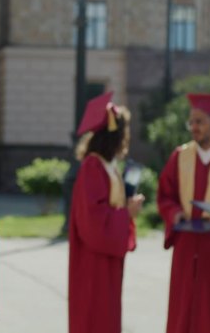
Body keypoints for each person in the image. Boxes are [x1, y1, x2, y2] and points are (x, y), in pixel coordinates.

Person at [156, 93, 210, 333]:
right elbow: (165, 195)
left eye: (200, 121)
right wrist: (175, 213)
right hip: (187, 244)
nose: (194, 127)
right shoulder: (180, 156)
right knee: (183, 309)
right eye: (191, 122)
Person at [68, 91, 144, 333]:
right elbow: (93, 221)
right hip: (94, 262)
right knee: (95, 318)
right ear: (116, 135)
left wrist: (125, 208)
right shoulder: (93, 166)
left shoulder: (106, 165)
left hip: (105, 259)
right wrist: (127, 214)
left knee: (106, 317)